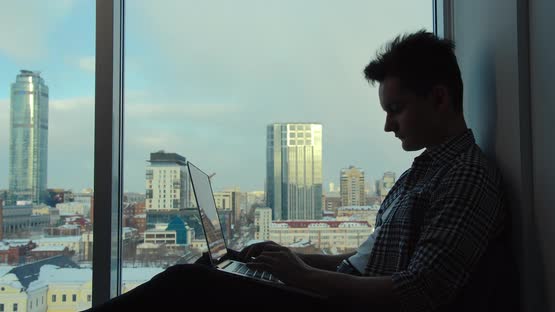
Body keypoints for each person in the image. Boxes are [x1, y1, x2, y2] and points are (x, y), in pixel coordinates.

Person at [87, 30, 511, 311]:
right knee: (205, 268)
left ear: (439, 98)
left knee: (185, 284)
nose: (388, 125)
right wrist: (289, 260)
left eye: (396, 109)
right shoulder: (421, 173)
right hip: (333, 296)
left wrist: (304, 276)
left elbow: (419, 292)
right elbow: (363, 261)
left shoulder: (466, 176)